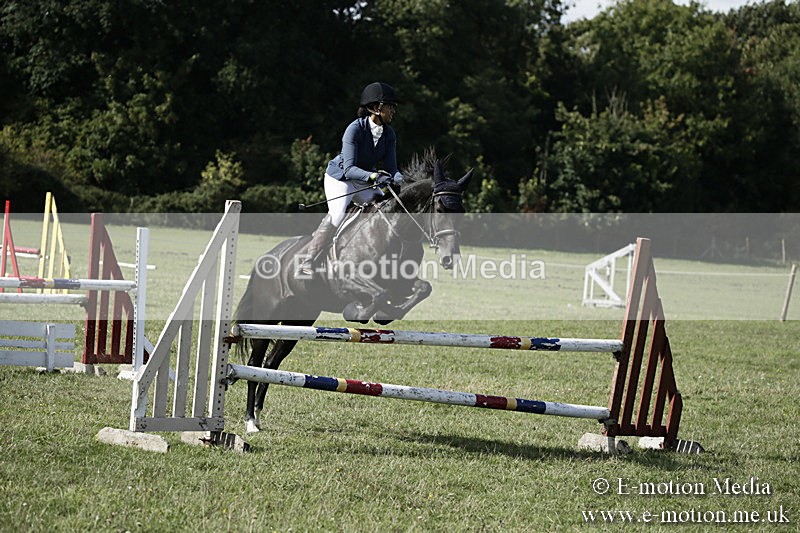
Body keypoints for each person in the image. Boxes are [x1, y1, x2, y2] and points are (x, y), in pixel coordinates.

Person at [295, 82, 405, 277]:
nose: (393, 110)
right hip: (340, 178)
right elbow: (350, 168)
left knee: (384, 210)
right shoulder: (354, 129)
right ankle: (307, 262)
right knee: (337, 213)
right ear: (377, 108)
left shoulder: (389, 134)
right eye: (390, 106)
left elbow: (392, 168)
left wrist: (403, 181)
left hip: (364, 180)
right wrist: (373, 176)